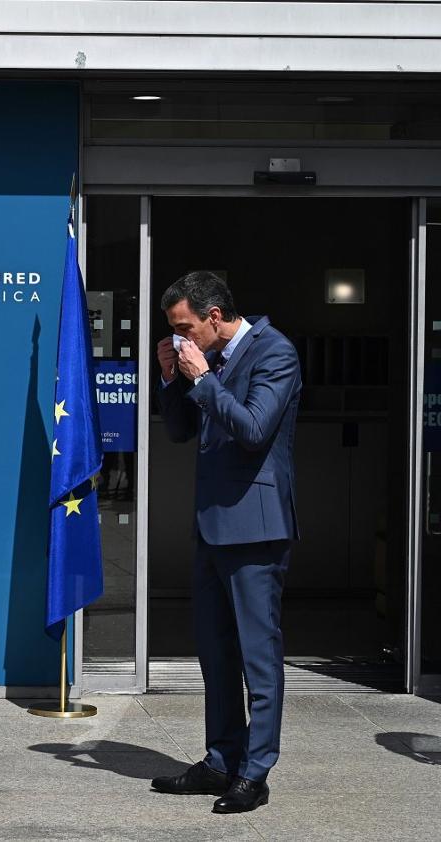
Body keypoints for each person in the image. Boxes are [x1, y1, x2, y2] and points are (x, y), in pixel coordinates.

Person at [150, 271, 301, 814]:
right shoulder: (203, 359)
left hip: (257, 527)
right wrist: (173, 379)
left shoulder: (273, 352)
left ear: (215, 316)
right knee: (215, 655)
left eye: (185, 328)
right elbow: (180, 432)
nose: (181, 338)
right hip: (212, 525)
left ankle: (254, 772)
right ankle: (220, 761)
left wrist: (202, 378)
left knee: (259, 656)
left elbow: (255, 428)